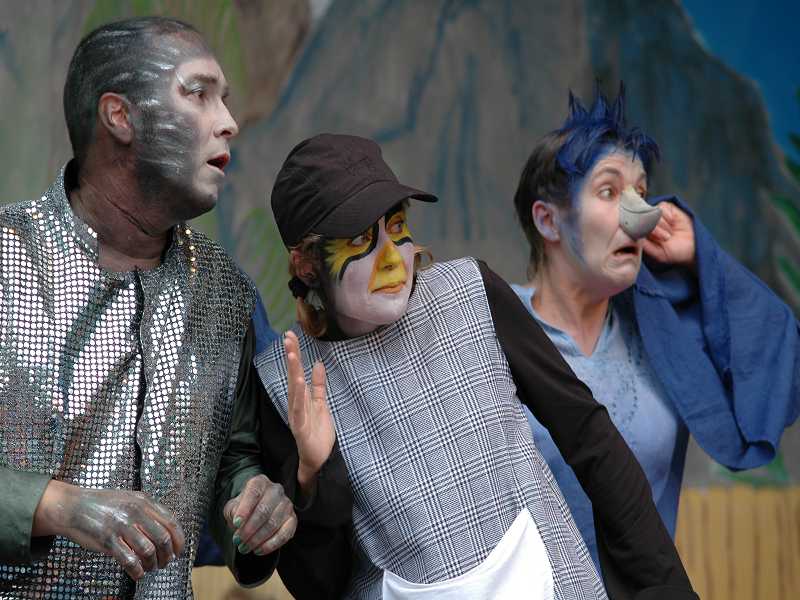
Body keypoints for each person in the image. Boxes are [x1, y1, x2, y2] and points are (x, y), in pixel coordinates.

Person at [250, 133, 699, 599]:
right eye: (361, 240)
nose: (393, 261)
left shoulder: (471, 291)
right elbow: (320, 585)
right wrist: (313, 474)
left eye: (397, 227)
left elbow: (589, 436)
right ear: (306, 264)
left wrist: (663, 587)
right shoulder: (284, 382)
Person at [0, 17, 332, 598]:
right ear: (120, 116)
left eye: (224, 99)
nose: (228, 122)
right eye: (198, 93)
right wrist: (56, 505)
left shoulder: (226, 294)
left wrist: (256, 505)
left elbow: (234, 460)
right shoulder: (8, 258)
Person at [510, 84, 800, 572]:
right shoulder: (493, 332)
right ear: (549, 221)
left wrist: (702, 258)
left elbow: (781, 370)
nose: (639, 216)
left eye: (641, 193)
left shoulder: (662, 330)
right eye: (609, 191)